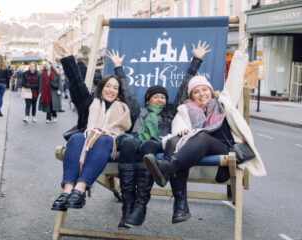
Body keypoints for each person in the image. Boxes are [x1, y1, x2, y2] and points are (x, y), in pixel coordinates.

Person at [143, 39, 267, 224]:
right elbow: (177, 127)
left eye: (204, 90)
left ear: (211, 91)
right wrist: (182, 131)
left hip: (223, 154)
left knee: (201, 134)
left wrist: (240, 54)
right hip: (193, 157)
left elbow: (234, 80)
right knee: (173, 141)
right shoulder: (185, 109)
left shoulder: (223, 101)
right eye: (196, 92)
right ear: (191, 96)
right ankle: (180, 206)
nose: (202, 94)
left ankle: (167, 167)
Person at [106, 42, 211, 229]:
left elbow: (184, 88)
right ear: (148, 99)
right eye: (156, 96)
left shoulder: (171, 111)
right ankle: (127, 205)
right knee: (130, 142)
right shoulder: (139, 110)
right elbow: (127, 92)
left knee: (148, 146)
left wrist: (197, 60)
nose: (160, 99)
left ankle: (140, 206)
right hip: (135, 143)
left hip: (157, 145)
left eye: (163, 97)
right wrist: (118, 67)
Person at [51, 57, 132, 211]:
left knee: (104, 140)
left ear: (119, 92)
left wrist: (118, 68)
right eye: (108, 86)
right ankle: (67, 192)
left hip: (111, 147)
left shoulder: (124, 108)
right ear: (101, 87)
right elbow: (76, 84)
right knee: (75, 138)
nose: (111, 90)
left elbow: (128, 93)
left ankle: (80, 189)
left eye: (115, 88)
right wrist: (68, 59)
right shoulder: (89, 103)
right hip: (85, 144)